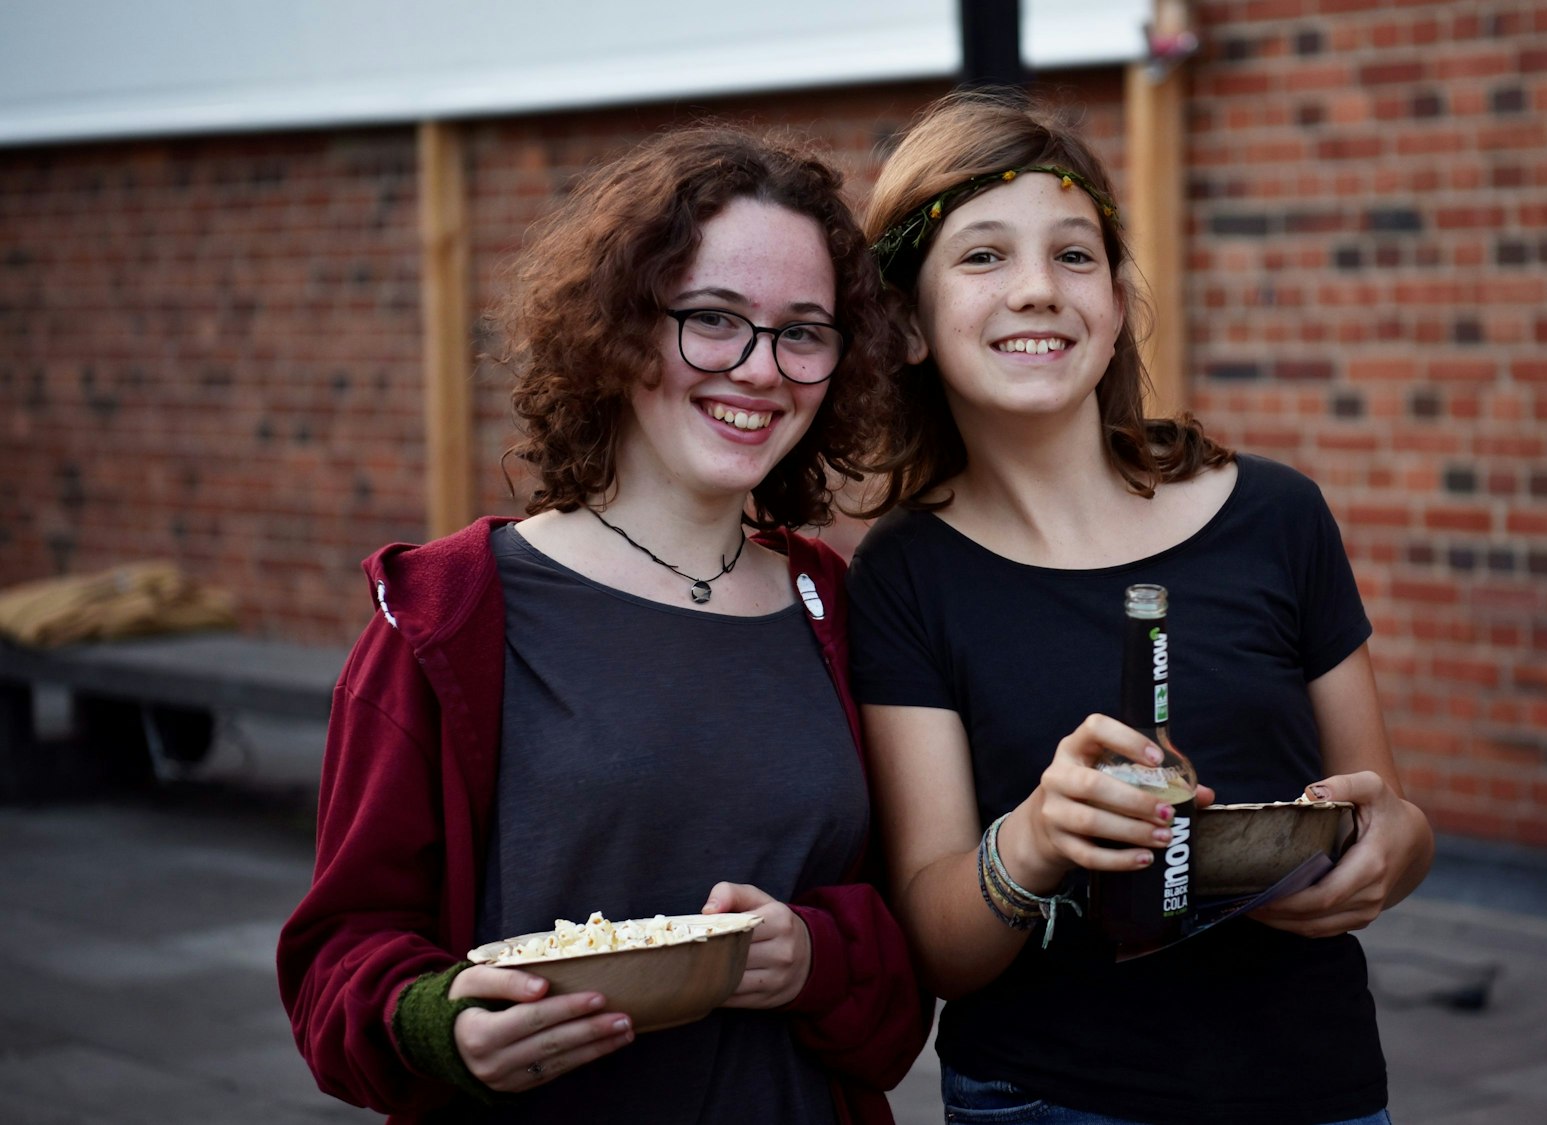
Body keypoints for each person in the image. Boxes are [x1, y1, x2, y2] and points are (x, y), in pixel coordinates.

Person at [277, 126, 927, 1125]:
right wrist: (438, 1022)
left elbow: (899, 966)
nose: (759, 369)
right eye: (712, 319)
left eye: (803, 331)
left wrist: (817, 954)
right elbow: (335, 961)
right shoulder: (447, 615)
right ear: (617, 327)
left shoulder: (832, 604)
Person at [845, 92, 1434, 1125]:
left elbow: (1388, 810)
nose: (1037, 290)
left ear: (1115, 302)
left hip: (1318, 1087)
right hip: (1048, 1099)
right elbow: (939, 947)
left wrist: (1394, 850)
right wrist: (1030, 838)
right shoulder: (901, 576)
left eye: (1074, 256)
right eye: (982, 257)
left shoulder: (1275, 515)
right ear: (904, 323)